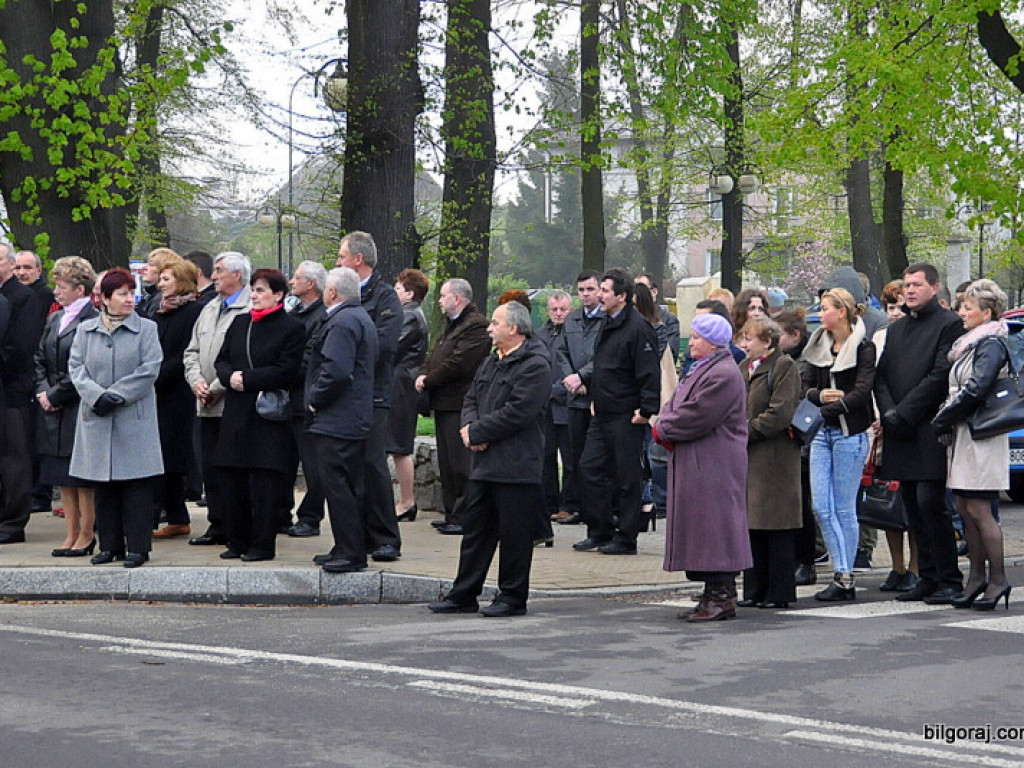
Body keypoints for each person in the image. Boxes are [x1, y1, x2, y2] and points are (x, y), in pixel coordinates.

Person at [428, 301, 551, 617]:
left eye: (495, 323)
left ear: (513, 328)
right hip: (485, 464)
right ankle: (464, 594)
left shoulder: (535, 364)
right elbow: (471, 397)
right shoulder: (492, 360)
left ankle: (512, 596)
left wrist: (480, 431)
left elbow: (519, 412)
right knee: (476, 532)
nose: (489, 328)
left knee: (514, 536)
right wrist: (468, 427)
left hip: (516, 465)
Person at [875, 263, 965, 604]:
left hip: (928, 427)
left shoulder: (948, 324)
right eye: (906, 285)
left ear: (934, 287)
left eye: (916, 285)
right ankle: (926, 577)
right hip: (899, 428)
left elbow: (941, 374)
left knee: (931, 503)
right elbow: (881, 376)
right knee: (912, 506)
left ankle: (950, 578)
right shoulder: (896, 330)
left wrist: (905, 412)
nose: (909, 290)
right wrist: (888, 413)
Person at [654, 312, 751, 622]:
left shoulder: (722, 374)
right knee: (704, 526)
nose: (691, 341)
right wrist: (667, 420)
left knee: (715, 527)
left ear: (712, 343)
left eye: (696, 337)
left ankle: (722, 596)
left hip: (715, 462)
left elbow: (695, 415)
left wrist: (662, 428)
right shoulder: (706, 367)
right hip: (701, 459)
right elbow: (676, 405)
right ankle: (711, 593)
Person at [68, 268, 163, 568]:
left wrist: (118, 395)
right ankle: (109, 545)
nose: (128, 299)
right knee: (103, 486)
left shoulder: (146, 329)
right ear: (104, 298)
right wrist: (96, 395)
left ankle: (137, 547)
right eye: (121, 293)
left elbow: (150, 368)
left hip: (132, 417)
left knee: (136, 487)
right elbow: (76, 367)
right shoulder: (85, 330)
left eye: (130, 293)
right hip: (96, 417)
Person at [931, 279, 1013, 611]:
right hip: (966, 432)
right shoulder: (972, 344)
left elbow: (977, 388)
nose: (961, 312)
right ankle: (976, 577)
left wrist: (944, 416)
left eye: (968, 307)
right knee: (965, 508)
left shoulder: (991, 342)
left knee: (979, 508)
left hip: (982, 434)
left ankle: (998, 579)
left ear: (987, 312)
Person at [214, 269, 305, 562]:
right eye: (253, 289)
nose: (254, 295)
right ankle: (236, 541)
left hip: (267, 416)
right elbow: (222, 359)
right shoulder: (240, 323)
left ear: (278, 295)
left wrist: (248, 379)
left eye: (262, 290)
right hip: (237, 413)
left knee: (264, 485)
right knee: (233, 480)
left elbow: (287, 370)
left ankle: (262, 545)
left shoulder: (291, 327)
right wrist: (231, 378)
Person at [573, 268, 660, 555]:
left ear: (621, 297)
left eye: (605, 291)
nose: (599, 295)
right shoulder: (606, 323)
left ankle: (626, 537)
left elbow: (648, 372)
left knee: (626, 477)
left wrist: (646, 410)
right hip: (603, 411)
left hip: (627, 413)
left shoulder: (638, 327)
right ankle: (600, 530)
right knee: (589, 468)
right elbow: (602, 364)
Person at [802, 288, 876, 601]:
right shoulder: (818, 342)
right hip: (822, 433)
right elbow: (806, 386)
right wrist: (820, 399)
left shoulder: (864, 346)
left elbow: (861, 393)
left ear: (842, 312)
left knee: (845, 509)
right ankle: (842, 573)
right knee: (821, 505)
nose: (820, 314)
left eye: (825, 308)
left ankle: (844, 576)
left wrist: (824, 410)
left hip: (850, 433)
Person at [336, 231, 404, 561]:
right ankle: (355, 539)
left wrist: (349, 358)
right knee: (351, 467)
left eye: (341, 257)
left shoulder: (385, 297)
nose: (337, 262)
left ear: (357, 260)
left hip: (374, 394)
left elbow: (385, 345)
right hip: (347, 396)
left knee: (373, 465)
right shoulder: (345, 297)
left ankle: (386, 537)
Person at [307, 268, 377, 573]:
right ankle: (346, 546)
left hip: (339, 418)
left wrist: (314, 399)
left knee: (339, 485)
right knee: (348, 484)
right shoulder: (358, 317)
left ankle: (350, 551)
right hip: (351, 416)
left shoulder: (343, 321)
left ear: (333, 293)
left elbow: (336, 370)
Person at [183, 251, 253, 547]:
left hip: (230, 403)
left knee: (232, 469)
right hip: (204, 403)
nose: (213, 276)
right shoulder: (209, 308)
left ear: (237, 275)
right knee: (209, 467)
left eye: (220, 271)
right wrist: (197, 382)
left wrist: (214, 386)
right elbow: (191, 352)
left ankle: (238, 526)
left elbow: (240, 359)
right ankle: (217, 524)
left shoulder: (249, 308)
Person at [736, 316, 802, 609]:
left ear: (768, 341)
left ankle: (779, 591)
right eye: (743, 338)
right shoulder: (742, 369)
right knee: (752, 523)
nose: (744, 344)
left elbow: (780, 412)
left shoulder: (783, 366)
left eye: (750, 339)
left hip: (775, 457)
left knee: (776, 524)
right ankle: (753, 589)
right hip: (748, 456)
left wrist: (744, 432)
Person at [415, 278, 491, 534]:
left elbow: (459, 363)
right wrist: (423, 373)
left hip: (460, 402)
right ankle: (451, 514)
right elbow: (434, 355)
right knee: (446, 464)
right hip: (443, 402)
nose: (439, 300)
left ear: (457, 298)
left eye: (443, 295)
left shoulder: (476, 327)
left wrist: (428, 379)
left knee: (461, 464)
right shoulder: (450, 326)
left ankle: (464, 516)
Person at [34, 257, 98, 557]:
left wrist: (57, 395)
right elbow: (39, 360)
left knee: (82, 477)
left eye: (61, 286)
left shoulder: (91, 319)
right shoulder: (54, 319)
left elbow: (85, 367)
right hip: (52, 408)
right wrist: (44, 392)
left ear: (80, 289)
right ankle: (70, 532)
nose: (56, 292)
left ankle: (87, 533)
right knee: (62, 477)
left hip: (76, 407)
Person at [872, 279, 919, 593]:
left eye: (901, 307)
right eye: (891, 308)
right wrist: (878, 417)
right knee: (888, 502)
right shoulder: (879, 337)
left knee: (912, 501)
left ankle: (916, 567)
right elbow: (875, 379)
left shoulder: (918, 336)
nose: (896, 313)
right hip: (882, 424)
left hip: (911, 425)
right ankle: (896, 565)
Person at [151, 259, 204, 539]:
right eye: (160, 279)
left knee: (171, 456)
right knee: (160, 457)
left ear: (182, 281)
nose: (161, 284)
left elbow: (185, 352)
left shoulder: (194, 310)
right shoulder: (158, 311)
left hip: (177, 393)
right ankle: (175, 517)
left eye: (167, 279)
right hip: (155, 392)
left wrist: (156, 376)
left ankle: (173, 516)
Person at [0, 241, 47, 543]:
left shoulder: (24, 297)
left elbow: (20, 347)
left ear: (8, 263)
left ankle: (12, 522)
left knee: (13, 458)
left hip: (12, 390)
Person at [554, 269, 604, 525]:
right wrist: (570, 378)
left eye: (590, 290)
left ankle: (594, 509)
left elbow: (605, 355)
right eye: (581, 290)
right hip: (574, 396)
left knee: (594, 458)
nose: (585, 295)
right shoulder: (572, 320)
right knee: (573, 456)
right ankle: (574, 505)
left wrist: (584, 377)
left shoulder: (606, 320)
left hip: (597, 398)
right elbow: (560, 352)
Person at [284, 260, 329, 538]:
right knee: (285, 462)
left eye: (297, 277)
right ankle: (282, 513)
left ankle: (311, 517)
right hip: (289, 401)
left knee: (313, 466)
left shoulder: (320, 317)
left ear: (311, 284)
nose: (291, 281)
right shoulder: (296, 313)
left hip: (305, 401)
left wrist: (282, 371)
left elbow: (309, 360)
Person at [775, 308, 819, 587]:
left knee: (802, 504)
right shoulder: (782, 360)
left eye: (778, 334)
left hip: (801, 439)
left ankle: (806, 561)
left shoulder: (805, 362)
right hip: (784, 440)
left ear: (795, 335)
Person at [15, 249, 56, 515]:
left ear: (39, 270)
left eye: (27, 267)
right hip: (25, 375)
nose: (22, 273)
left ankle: (40, 492)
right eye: (17, 267)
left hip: (38, 375)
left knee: (36, 437)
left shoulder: (41, 296)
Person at [387, 268, 429, 522]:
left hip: (401, 387)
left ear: (410, 293)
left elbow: (392, 346)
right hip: (400, 383)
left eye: (398, 288)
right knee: (397, 445)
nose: (394, 292)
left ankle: (406, 502)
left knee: (400, 446)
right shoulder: (409, 315)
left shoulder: (410, 316)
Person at [536, 290, 572, 523]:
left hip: (568, 402)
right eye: (554, 309)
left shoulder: (575, 333)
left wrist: (558, 389)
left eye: (563, 309)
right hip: (544, 406)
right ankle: (548, 503)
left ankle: (568, 504)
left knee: (569, 458)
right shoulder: (539, 335)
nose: (558, 314)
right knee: (545, 455)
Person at [635, 274, 680, 361]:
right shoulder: (631, 318)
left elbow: (671, 354)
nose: (637, 294)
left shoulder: (668, 319)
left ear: (654, 292)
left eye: (642, 289)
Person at [137, 247, 183, 318]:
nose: (145, 268)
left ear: (163, 270)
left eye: (151, 264)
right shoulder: (152, 297)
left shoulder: (161, 300)